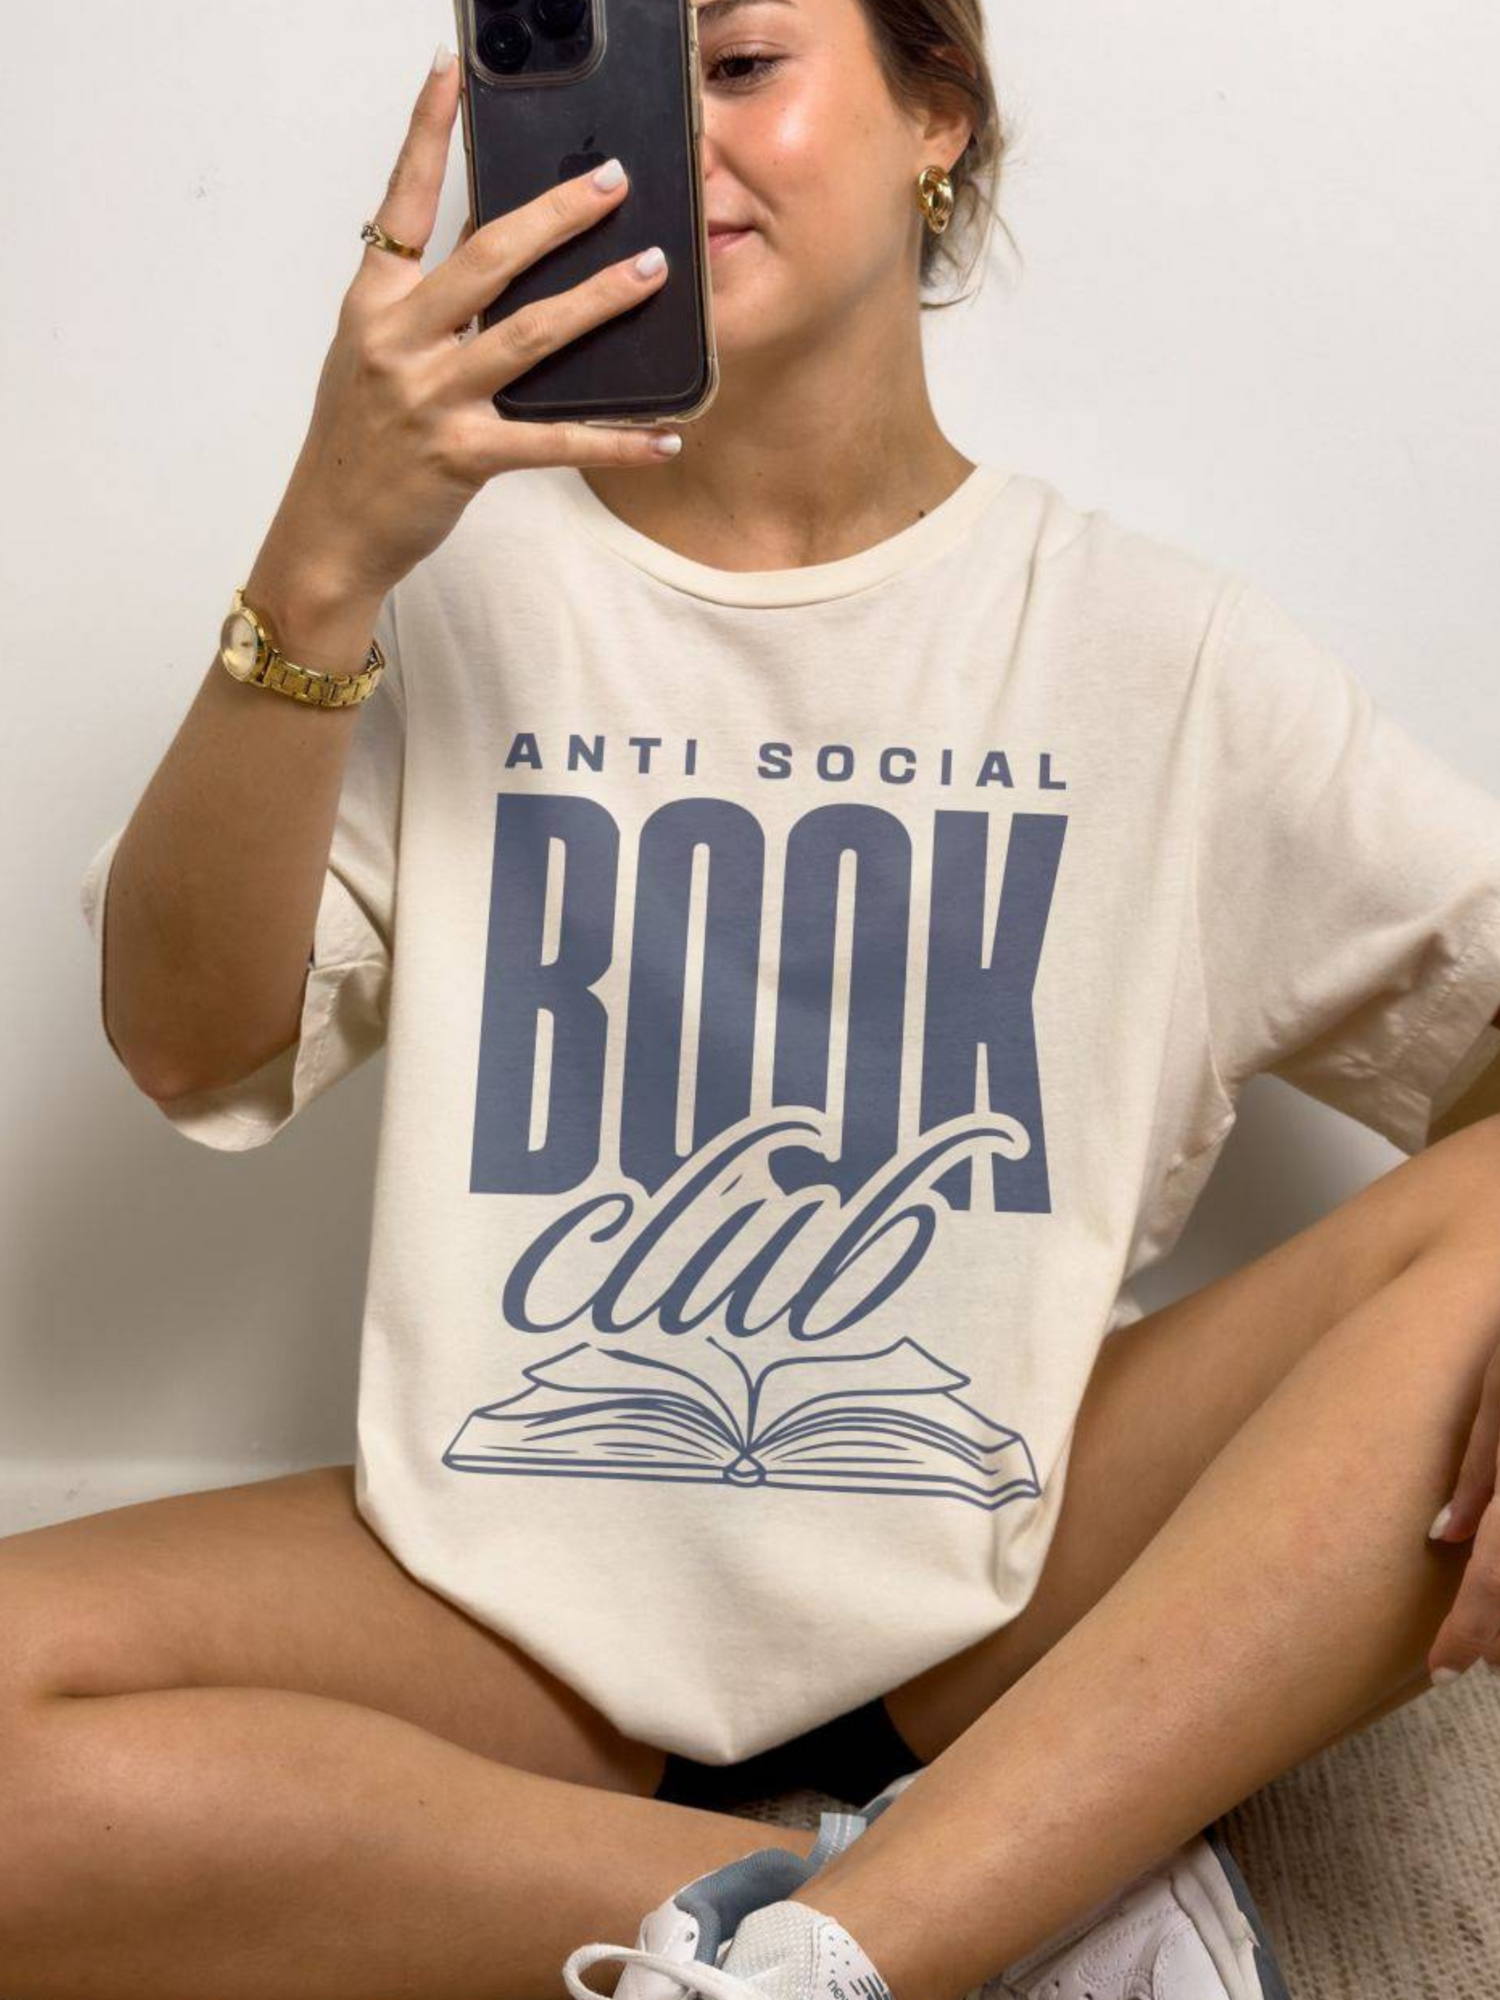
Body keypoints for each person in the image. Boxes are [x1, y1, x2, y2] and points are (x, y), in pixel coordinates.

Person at [15, 2, 1500, 1995]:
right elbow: (185, 1038)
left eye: (739, 67)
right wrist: (324, 555)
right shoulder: (459, 590)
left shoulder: (1162, 655)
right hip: (514, 1602)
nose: (675, 145)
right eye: (630, 85)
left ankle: (864, 1925)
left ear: (934, 121)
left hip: (1008, 1574)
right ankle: (959, 1908)